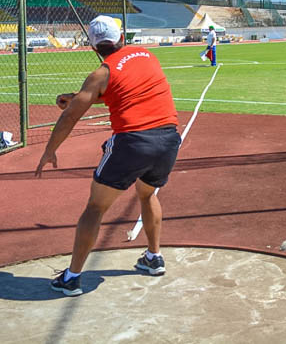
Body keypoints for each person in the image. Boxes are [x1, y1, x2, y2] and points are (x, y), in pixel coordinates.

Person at [35, 15, 181, 297]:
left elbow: (69, 117)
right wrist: (79, 95)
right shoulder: (147, 55)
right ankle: (153, 257)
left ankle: (72, 277)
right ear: (122, 38)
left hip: (132, 142)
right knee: (148, 195)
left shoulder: (100, 74)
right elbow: (127, 87)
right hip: (167, 138)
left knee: (95, 208)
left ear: (93, 47)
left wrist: (49, 150)